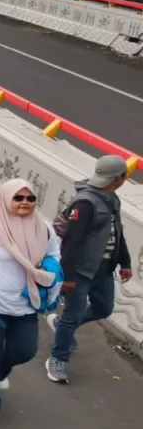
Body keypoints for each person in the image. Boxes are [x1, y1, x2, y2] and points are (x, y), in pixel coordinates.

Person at [46, 154, 133, 384]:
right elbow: (71, 241)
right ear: (119, 178)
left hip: (103, 269)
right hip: (80, 271)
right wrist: (67, 276)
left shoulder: (112, 199)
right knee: (72, 314)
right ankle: (58, 358)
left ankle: (61, 326)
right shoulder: (85, 203)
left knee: (103, 308)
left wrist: (125, 262)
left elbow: (117, 232)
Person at [0, 179, 60, 421]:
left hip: (26, 302)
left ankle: (0, 372)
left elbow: (54, 254)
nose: (25, 202)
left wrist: (49, 271)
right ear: (5, 199)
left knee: (25, 350)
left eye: (30, 198)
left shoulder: (43, 228)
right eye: (18, 198)